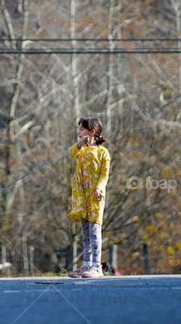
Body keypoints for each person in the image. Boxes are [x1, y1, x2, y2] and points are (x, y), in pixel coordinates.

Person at [67, 117, 111, 278]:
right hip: (81, 198)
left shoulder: (103, 152)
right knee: (85, 233)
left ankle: (96, 267)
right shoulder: (81, 150)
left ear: (92, 131)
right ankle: (86, 265)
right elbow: (71, 152)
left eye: (82, 129)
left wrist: (99, 188)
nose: (79, 132)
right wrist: (80, 144)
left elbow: (104, 175)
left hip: (95, 198)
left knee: (94, 232)